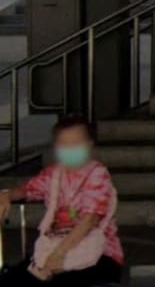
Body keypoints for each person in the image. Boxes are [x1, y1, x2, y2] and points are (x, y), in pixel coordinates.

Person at [0, 114, 123, 286]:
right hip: (53, 248)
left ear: (89, 145)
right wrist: (6, 195)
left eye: (76, 143)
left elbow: (89, 221)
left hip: (97, 254)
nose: (70, 149)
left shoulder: (97, 174)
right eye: (64, 144)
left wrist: (59, 255)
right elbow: (27, 190)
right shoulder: (53, 174)